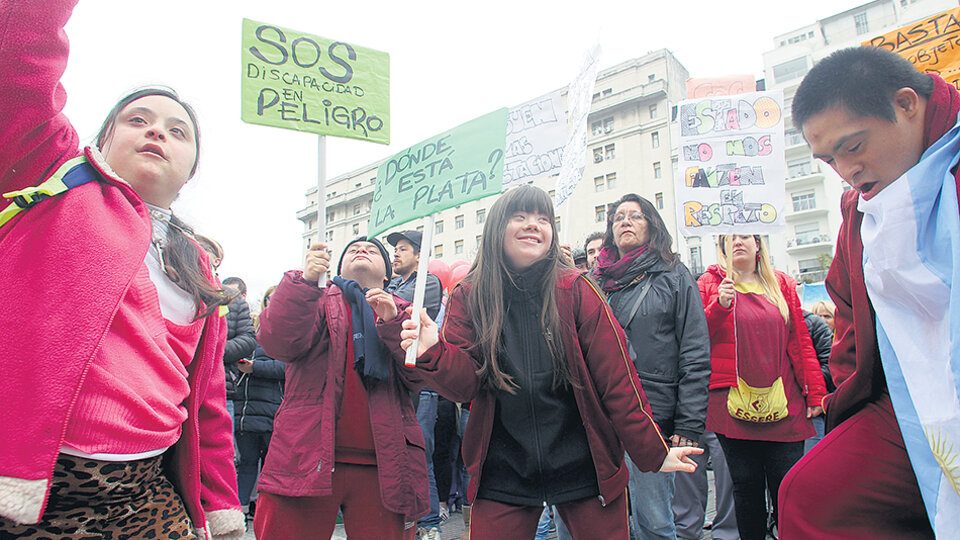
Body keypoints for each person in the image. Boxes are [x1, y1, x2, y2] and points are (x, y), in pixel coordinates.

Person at [0, 1, 244, 537]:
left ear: (191, 170)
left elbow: (206, 402)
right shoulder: (59, 179)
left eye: (178, 131)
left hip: (146, 496)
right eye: (139, 120)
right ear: (102, 141)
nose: (158, 132)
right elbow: (17, 59)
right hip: (31, 489)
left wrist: (221, 510)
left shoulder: (197, 262)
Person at [399, 185, 701, 540]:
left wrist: (653, 452)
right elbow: (465, 387)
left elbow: (618, 382)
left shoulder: (578, 289)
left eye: (543, 218)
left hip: (586, 463)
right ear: (497, 226)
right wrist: (434, 350)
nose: (534, 225)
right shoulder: (470, 295)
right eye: (521, 216)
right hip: (502, 467)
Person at [781, 45, 960, 538]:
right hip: (908, 404)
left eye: (854, 146)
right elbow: (847, 321)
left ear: (906, 104)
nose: (846, 170)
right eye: (829, 158)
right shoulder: (857, 212)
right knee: (811, 494)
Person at [253, 237, 429, 540]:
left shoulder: (404, 312)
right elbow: (277, 342)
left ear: (387, 275)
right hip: (307, 456)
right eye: (353, 249)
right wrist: (304, 283)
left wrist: (392, 323)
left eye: (373, 251)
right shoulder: (312, 298)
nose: (362, 250)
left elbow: (420, 378)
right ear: (336, 267)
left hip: (383, 465)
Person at [592, 194, 711, 540]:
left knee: (654, 521)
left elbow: (695, 350)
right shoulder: (595, 281)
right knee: (605, 519)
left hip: (652, 417)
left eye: (636, 216)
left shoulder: (674, 275)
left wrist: (688, 423)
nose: (625, 221)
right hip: (600, 417)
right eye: (618, 217)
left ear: (652, 225)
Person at [697, 235, 826, 540]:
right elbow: (697, 338)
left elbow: (801, 342)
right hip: (731, 403)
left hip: (786, 403)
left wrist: (816, 392)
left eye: (745, 237)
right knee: (746, 486)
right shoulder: (709, 284)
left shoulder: (782, 284)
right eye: (730, 238)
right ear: (722, 247)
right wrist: (719, 306)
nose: (737, 242)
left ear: (759, 245)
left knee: (788, 487)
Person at [386, 229, 445, 540]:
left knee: (419, 453)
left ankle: (430, 522)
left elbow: (409, 315)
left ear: (420, 255)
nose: (396, 254)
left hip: (421, 384)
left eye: (403, 248)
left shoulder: (428, 283)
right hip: (394, 381)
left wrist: (384, 306)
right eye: (395, 249)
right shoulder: (392, 284)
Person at [234, 287, 284, 520]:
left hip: (273, 412)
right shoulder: (250, 331)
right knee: (246, 463)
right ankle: (241, 510)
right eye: (268, 300)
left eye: (277, 300)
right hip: (246, 412)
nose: (271, 304)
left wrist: (255, 367)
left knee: (268, 467)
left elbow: (288, 369)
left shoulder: (288, 335)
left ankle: (264, 513)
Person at [222, 276, 257, 436]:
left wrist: (213, 351)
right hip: (179, 388)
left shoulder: (233, 300)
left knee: (220, 453)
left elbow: (248, 339)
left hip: (222, 389)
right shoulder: (180, 290)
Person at [802, 308, 835, 454]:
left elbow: (831, 365)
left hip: (811, 409)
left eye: (828, 316)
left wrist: (803, 385)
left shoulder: (813, 324)